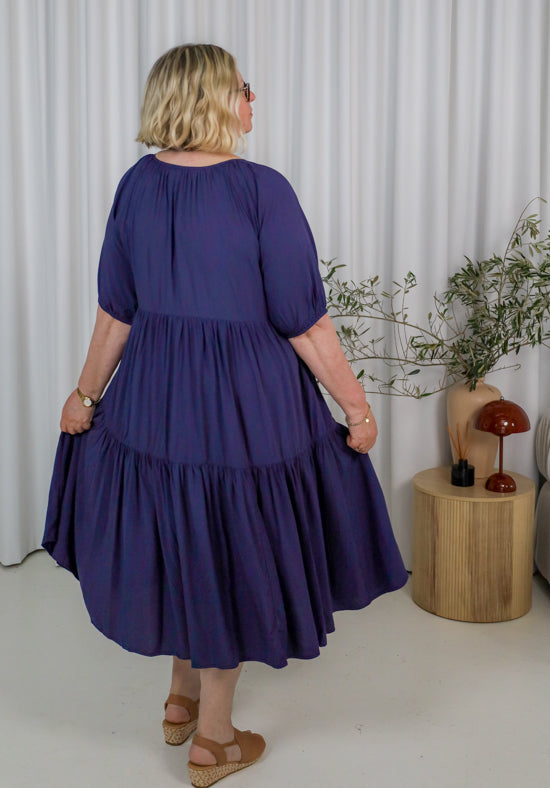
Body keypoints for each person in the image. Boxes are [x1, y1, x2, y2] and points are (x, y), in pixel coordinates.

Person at [43, 43, 408, 787]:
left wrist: (85, 396)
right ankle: (214, 742)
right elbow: (305, 321)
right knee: (233, 547)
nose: (252, 98)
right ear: (215, 97)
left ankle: (179, 701)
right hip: (247, 400)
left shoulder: (137, 185)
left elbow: (116, 312)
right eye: (244, 87)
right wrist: (357, 408)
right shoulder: (261, 190)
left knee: (184, 532)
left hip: (155, 397)